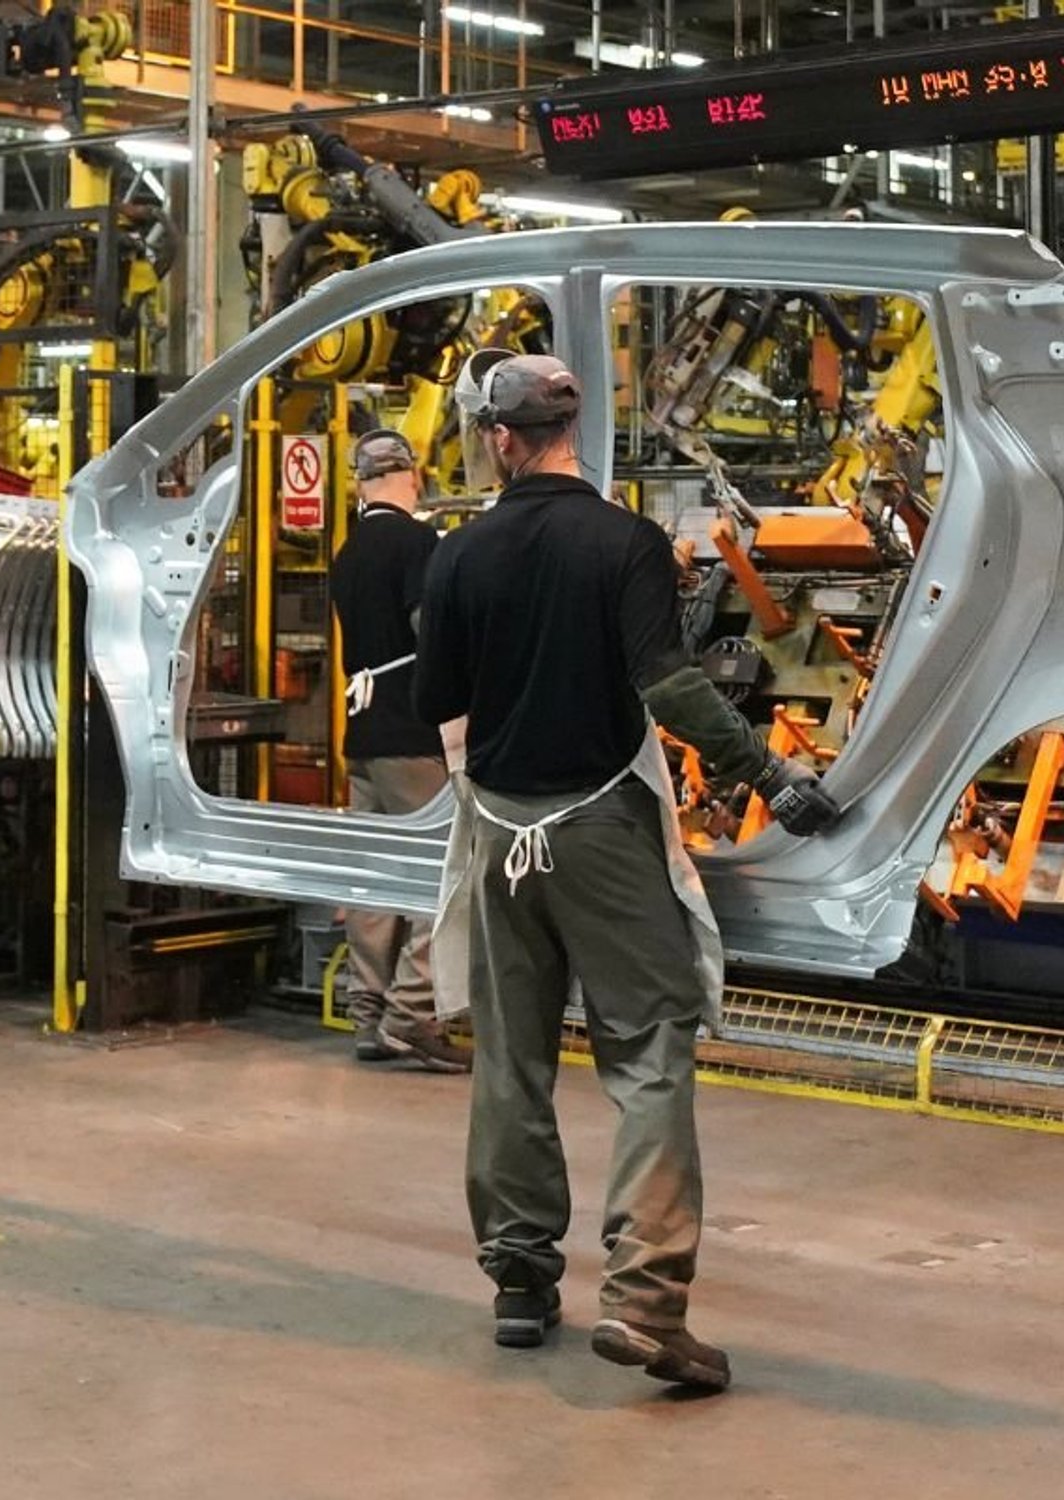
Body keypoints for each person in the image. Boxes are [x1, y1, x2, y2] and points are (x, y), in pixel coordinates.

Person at [414, 351, 840, 1393]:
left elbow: (444, 709)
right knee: (648, 1055)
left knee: (510, 1057)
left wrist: (492, 797)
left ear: (499, 440)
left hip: (499, 834)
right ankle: (645, 1306)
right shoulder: (627, 543)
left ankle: (520, 1285)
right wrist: (768, 776)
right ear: (569, 434)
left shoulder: (458, 556)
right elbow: (668, 686)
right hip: (601, 827)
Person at [327, 427, 471, 1074]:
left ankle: (368, 1013)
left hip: (362, 733)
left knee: (372, 877)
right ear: (409, 476)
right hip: (414, 732)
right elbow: (428, 629)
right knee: (437, 873)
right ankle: (413, 1015)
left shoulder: (348, 551)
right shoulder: (417, 542)